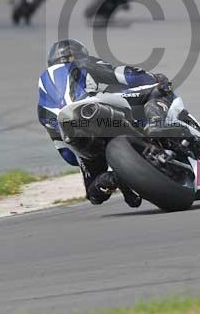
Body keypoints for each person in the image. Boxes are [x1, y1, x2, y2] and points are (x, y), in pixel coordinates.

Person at [37, 39, 181, 208]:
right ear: (78, 54)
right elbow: (122, 74)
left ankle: (113, 179)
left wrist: (84, 155)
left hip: (76, 135)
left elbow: (68, 157)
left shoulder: (42, 106)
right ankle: (157, 123)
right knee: (158, 89)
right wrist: (154, 78)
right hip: (93, 109)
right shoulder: (83, 62)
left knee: (93, 194)